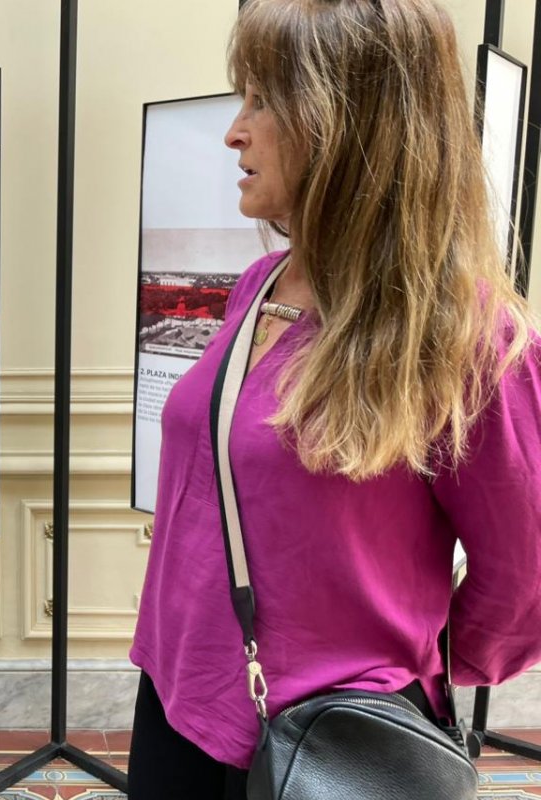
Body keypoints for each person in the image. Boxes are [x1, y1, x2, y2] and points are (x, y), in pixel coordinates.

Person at [127, 0, 541, 797]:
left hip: (330, 746)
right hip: (180, 700)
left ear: (349, 123)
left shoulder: (469, 340)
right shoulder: (258, 287)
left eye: (264, 101)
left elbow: (526, 583)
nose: (234, 131)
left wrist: (402, 669)